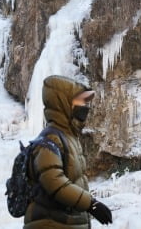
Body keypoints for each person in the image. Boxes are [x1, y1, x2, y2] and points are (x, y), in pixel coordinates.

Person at [23, 75, 113, 229]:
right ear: (63, 104)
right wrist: (91, 204)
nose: (85, 106)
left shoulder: (69, 137)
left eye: (86, 102)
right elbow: (54, 182)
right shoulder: (50, 139)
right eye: (80, 101)